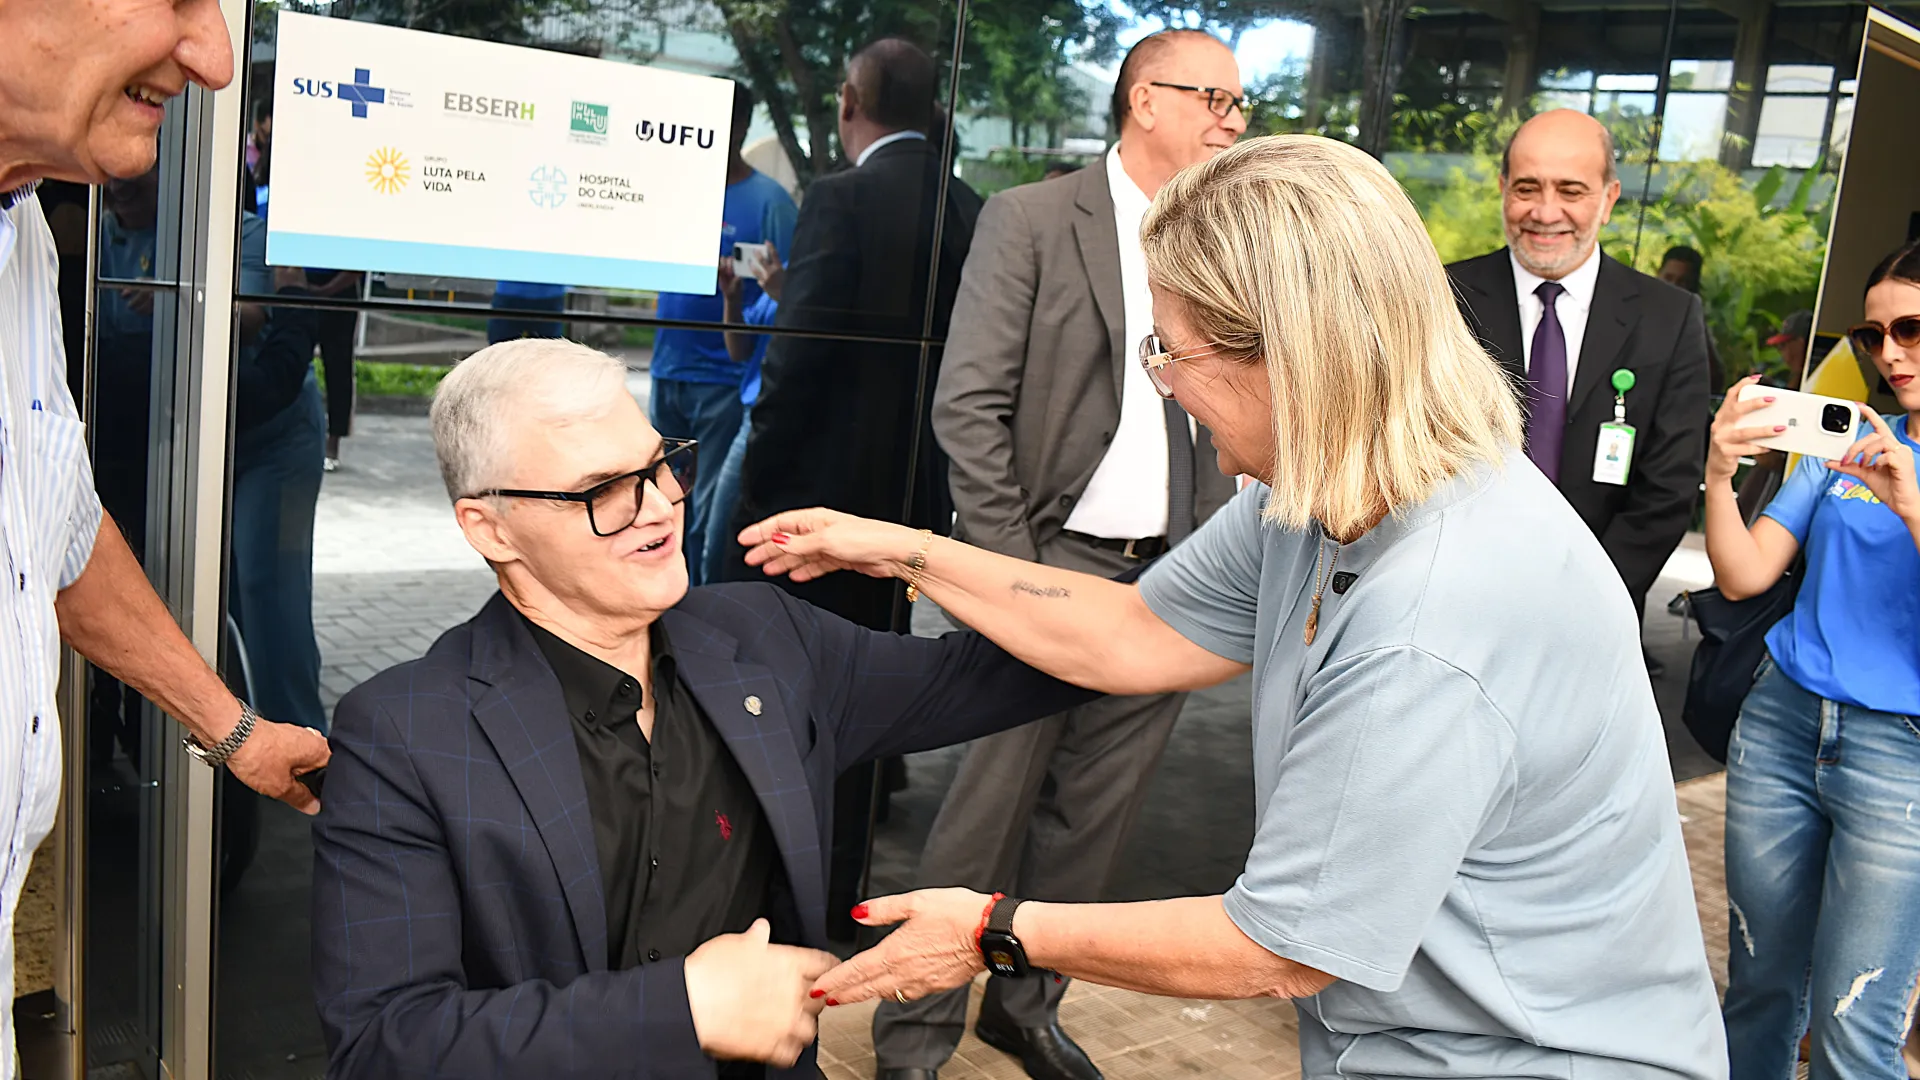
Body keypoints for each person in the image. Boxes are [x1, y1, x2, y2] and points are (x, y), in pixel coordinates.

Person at [739, 135, 1727, 1080]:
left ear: (1287, 356)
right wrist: (905, 550)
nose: (1164, 387)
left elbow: (1280, 947)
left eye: (1170, 352)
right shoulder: (1312, 496)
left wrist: (993, 932)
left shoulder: (1435, 616)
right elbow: (1130, 632)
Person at [309, 338, 1100, 1079]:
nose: (659, 507)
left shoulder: (767, 641)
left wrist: (911, 551)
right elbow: (383, 1045)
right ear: (491, 529)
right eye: (602, 491)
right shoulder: (406, 733)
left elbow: (1042, 665)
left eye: (661, 466)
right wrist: (678, 1010)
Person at [870, 28, 1243, 1080]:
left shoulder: (1220, 238)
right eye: (1214, 98)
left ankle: (1024, 1009)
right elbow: (968, 408)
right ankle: (914, 1032)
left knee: (1095, 819)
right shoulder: (1033, 218)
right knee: (983, 817)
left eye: (1239, 104)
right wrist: (1012, 579)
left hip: (1170, 580)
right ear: (1145, 100)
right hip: (1045, 566)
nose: (1231, 122)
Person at [0, 0, 331, 1069]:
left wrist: (238, 731)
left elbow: (58, 531)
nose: (216, 58)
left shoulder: (22, 239)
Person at [723, 36, 983, 941]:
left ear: (848, 101)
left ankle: (781, 890)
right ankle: (842, 883)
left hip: (820, 498)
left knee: (791, 689)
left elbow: (796, 363)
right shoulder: (969, 206)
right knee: (870, 684)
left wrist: (758, 493)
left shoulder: (840, 198)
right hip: (912, 498)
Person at [1705, 238, 1920, 1080]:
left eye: (1911, 329)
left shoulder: (1892, 468)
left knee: (1851, 1025)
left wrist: (1912, 508)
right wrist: (1719, 472)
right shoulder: (1853, 444)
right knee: (1759, 991)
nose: (1890, 353)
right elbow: (1744, 573)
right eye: (1874, 335)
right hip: (1782, 725)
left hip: (1902, 757)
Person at [1447, 110, 1711, 660]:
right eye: (1527, 188)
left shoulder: (1669, 318)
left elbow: (1669, 486)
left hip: (1594, 620)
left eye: (1571, 190)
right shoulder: (1443, 298)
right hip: (1449, 603)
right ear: (1503, 189)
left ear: (1609, 199)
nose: (1546, 213)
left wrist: (1583, 601)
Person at [649, 83, 798, 585]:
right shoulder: (678, 193)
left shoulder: (771, 202)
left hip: (723, 381)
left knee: (704, 520)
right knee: (663, 509)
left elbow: (792, 292)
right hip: (667, 370)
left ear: (739, 127)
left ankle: (699, 614)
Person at [1659, 243, 1726, 395]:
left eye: (1682, 282)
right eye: (1668, 278)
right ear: (1658, 274)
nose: (1673, 287)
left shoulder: (1693, 321)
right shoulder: (1638, 310)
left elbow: (1714, 380)